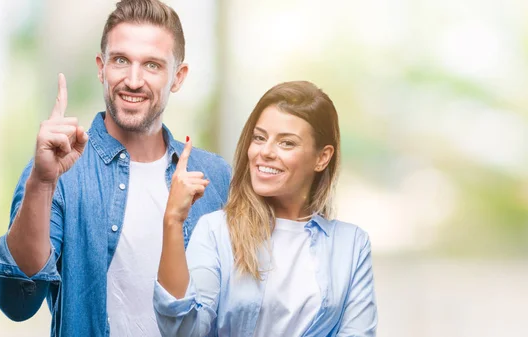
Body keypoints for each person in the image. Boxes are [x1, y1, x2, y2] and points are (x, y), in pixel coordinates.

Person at [0, 0, 231, 336]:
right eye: (121, 60)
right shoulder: (57, 171)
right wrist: (42, 183)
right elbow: (17, 303)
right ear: (101, 68)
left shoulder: (215, 176)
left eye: (152, 65)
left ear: (178, 77)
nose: (133, 80)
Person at [155, 81, 378, 336]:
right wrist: (172, 220)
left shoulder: (351, 245)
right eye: (259, 138)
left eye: (287, 143)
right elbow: (183, 332)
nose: (265, 152)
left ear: (322, 157)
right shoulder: (217, 231)